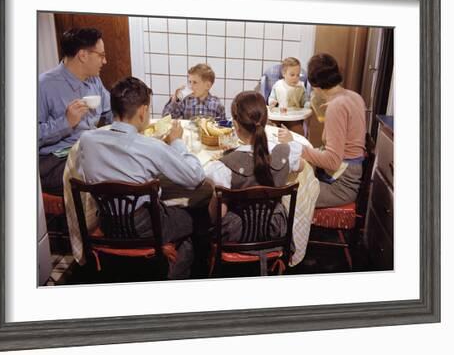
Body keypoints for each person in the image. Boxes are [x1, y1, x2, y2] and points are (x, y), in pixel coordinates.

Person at [76, 76, 206, 279]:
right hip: (144, 226)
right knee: (195, 216)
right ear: (143, 110)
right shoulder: (151, 147)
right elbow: (195, 177)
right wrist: (177, 143)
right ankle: (177, 274)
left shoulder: (86, 140)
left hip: (108, 222)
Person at [205, 91, 304, 244]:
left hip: (237, 233)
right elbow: (301, 166)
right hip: (275, 229)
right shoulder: (286, 153)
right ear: (266, 121)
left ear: (236, 125)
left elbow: (218, 215)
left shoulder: (223, 167)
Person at [278, 53, 366, 208]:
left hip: (340, 185)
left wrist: (297, 146)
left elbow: (332, 161)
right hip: (352, 174)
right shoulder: (354, 96)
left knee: (283, 193)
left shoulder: (336, 107)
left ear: (315, 85)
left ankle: (284, 231)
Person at [38, 28, 112, 195]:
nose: (105, 61)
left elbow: (110, 113)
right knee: (108, 172)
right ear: (83, 55)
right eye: (101, 55)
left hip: (87, 151)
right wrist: (66, 122)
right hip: (55, 161)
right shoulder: (44, 85)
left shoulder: (94, 79)